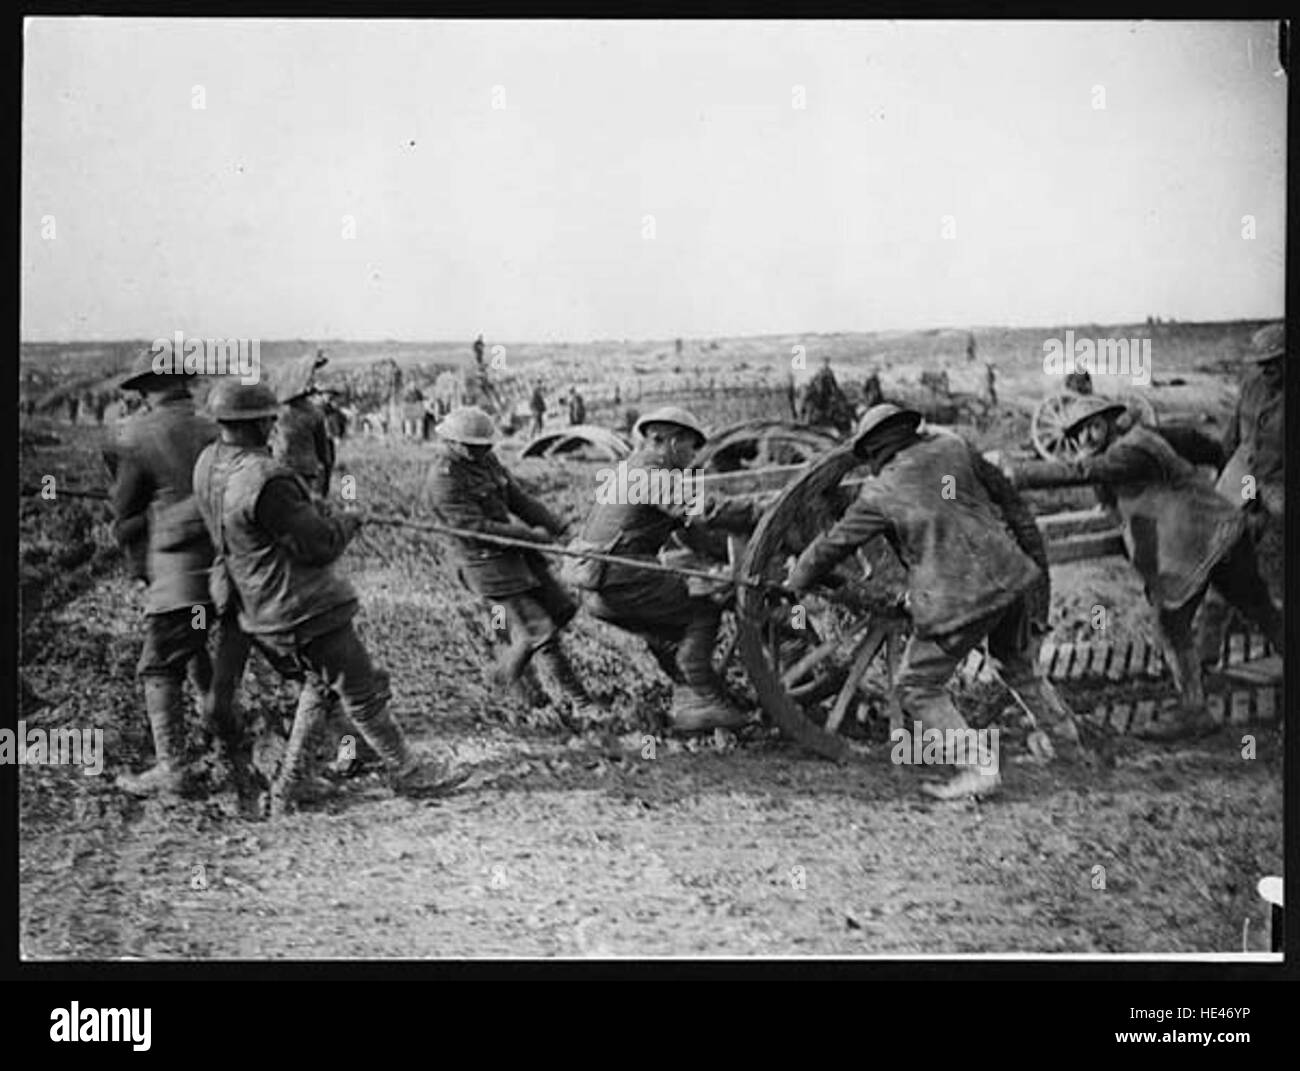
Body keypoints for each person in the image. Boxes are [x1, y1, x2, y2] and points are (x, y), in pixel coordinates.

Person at [193, 380, 466, 815]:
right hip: (299, 606)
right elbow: (319, 544)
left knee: (321, 684)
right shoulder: (267, 478)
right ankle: (409, 772)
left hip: (253, 601)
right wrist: (348, 522)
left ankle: (289, 788)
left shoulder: (208, 463)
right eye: (270, 418)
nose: (274, 425)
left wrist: (308, 513)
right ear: (261, 421)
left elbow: (261, 528)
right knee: (360, 686)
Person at [787, 404, 1079, 800]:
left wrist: (798, 579)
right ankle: (1068, 747)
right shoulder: (953, 446)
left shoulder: (880, 492)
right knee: (1017, 664)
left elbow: (833, 546)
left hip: (957, 597)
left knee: (917, 685)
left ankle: (979, 767)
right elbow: (1009, 500)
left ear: (873, 451)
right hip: (1011, 577)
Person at [1011, 396, 1283, 739]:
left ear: (1110, 421)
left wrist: (1019, 474)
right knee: (1237, 615)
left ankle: (1193, 709)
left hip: (1204, 541)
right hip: (1208, 539)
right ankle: (1193, 707)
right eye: (1079, 433)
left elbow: (1085, 471)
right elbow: (1201, 448)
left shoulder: (1134, 447)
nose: (1087, 437)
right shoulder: (1125, 448)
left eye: (1094, 426)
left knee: (1211, 619)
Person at [109, 351, 254, 805]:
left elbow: (127, 516)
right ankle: (230, 743)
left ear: (146, 388)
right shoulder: (217, 425)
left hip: (179, 569)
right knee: (200, 642)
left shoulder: (134, 435)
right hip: (231, 564)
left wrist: (139, 568)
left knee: (159, 663)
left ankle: (173, 769)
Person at [569, 406, 755, 733]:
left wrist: (720, 559)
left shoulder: (632, 469)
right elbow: (699, 511)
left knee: (670, 630)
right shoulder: (650, 471)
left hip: (600, 586)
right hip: (620, 579)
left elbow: (689, 530)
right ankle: (704, 703)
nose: (695, 455)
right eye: (691, 446)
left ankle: (688, 699)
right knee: (703, 605)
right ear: (670, 442)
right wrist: (757, 511)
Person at [421, 406, 599, 722]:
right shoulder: (443, 480)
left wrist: (560, 529)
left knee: (562, 610)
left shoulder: (486, 461)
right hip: (486, 565)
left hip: (517, 555)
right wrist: (530, 535)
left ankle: (506, 673)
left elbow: (518, 499)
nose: (485, 450)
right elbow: (476, 530)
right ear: (454, 443)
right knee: (540, 633)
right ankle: (580, 702)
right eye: (477, 446)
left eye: (486, 445)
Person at [1196, 322, 1285, 668]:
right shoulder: (1251, 384)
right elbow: (1233, 434)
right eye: (1261, 363)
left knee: (1271, 573)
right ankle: (1205, 657)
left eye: (1274, 361)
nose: (1267, 369)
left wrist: (1265, 505)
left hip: (1280, 484)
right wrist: (1226, 478)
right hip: (1241, 475)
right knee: (1218, 560)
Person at [270, 353, 335, 498]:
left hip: (279, 471)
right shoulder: (314, 414)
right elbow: (324, 454)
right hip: (305, 472)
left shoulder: (276, 413)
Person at [799, 354, 854, 435]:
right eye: (824, 362)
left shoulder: (830, 372)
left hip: (827, 391)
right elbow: (816, 381)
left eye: (827, 362)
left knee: (837, 401)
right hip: (821, 391)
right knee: (810, 398)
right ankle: (807, 418)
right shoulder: (820, 371)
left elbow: (833, 383)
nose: (825, 363)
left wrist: (835, 390)